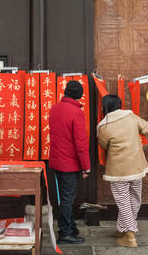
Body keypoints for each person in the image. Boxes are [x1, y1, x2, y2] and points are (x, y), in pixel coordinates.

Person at [97, 94, 148, 248]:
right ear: (120, 104)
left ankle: (129, 234)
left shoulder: (103, 125)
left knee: (123, 202)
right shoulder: (132, 117)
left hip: (118, 170)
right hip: (136, 165)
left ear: (104, 108)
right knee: (135, 199)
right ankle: (123, 230)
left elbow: (104, 145)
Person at [49, 80, 90, 244]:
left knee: (64, 197)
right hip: (69, 163)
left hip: (56, 161)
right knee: (67, 199)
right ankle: (65, 233)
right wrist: (86, 167)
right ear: (78, 95)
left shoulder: (55, 108)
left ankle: (71, 226)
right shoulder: (76, 112)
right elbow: (81, 143)